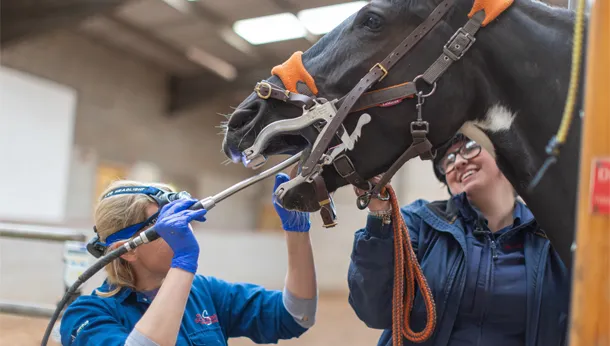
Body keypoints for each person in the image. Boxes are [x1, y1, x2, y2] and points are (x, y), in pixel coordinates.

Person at [347, 133, 570, 346]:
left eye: (470, 147)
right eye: (448, 160)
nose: (459, 162)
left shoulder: (554, 237)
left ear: (503, 156)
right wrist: (380, 218)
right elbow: (373, 310)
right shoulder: (418, 223)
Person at [59, 173, 317, 346]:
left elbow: (296, 316)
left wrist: (297, 234)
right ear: (127, 250)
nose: (186, 233)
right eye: (169, 228)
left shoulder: (204, 292)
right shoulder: (85, 316)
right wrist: (182, 261)